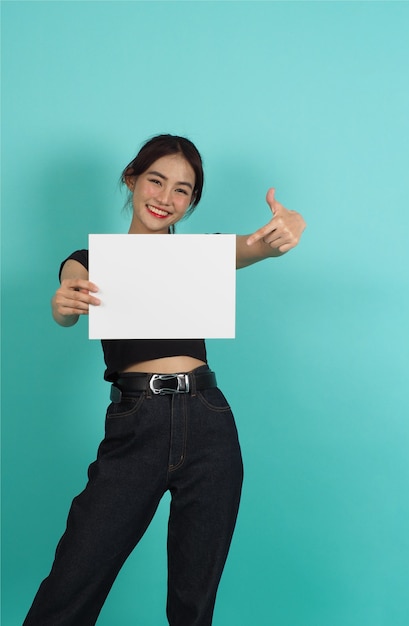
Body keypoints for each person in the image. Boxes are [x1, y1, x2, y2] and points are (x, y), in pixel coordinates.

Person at [23, 134, 306, 626]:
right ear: (131, 179)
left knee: (193, 607)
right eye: (156, 180)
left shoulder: (201, 256)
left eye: (182, 190)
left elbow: (262, 245)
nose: (165, 198)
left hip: (210, 424)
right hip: (137, 425)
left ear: (191, 202)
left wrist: (289, 227)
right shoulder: (92, 260)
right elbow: (71, 290)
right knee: (71, 585)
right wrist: (63, 301)